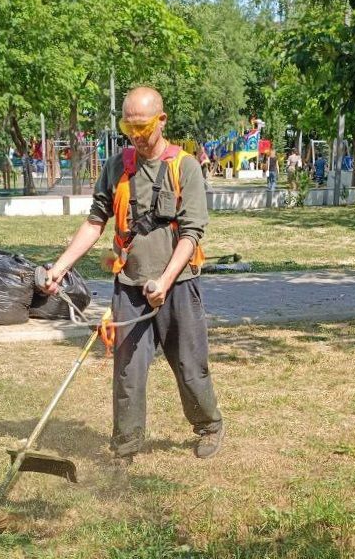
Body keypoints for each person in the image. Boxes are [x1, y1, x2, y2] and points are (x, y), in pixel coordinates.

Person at [44, 86, 224, 462]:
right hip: (129, 287)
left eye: (143, 127)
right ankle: (125, 447)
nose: (137, 137)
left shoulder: (184, 166)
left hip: (178, 286)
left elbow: (191, 234)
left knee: (190, 367)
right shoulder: (116, 167)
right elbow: (95, 223)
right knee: (127, 373)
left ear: (162, 121)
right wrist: (59, 268)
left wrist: (165, 280)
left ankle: (208, 424)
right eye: (130, 128)